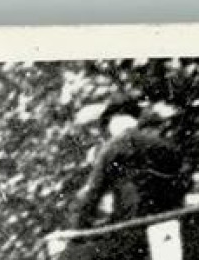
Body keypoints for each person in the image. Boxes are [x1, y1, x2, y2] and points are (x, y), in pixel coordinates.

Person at [69, 99, 188, 230]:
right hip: (171, 219)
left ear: (111, 124)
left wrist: (78, 227)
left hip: (132, 223)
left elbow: (93, 193)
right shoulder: (162, 144)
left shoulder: (110, 150)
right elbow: (182, 177)